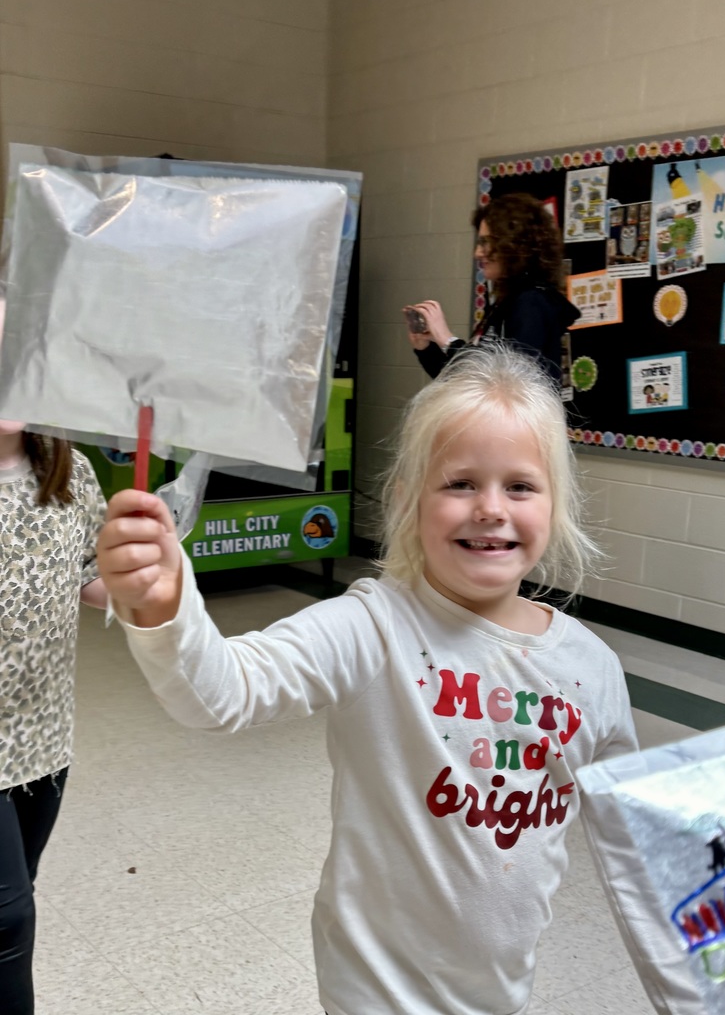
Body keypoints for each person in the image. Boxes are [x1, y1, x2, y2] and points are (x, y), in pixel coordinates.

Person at [97, 347, 637, 1015]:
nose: (491, 508)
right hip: (375, 990)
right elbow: (222, 693)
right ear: (408, 501)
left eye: (520, 486)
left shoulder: (590, 667)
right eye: (460, 483)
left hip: (501, 990)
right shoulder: (374, 627)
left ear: (555, 505)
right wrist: (164, 604)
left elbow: (636, 828)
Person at [0, 404, 108, 1013]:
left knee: (19, 890)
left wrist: (138, 575)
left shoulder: (67, 470)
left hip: (41, 737)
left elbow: (86, 575)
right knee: (7, 918)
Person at [404, 192, 580, 383]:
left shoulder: (531, 303)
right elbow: (465, 384)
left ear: (515, 245)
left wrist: (446, 339)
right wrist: (425, 348)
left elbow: (506, 385)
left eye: (485, 242)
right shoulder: (509, 301)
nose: (478, 253)